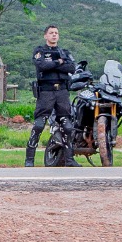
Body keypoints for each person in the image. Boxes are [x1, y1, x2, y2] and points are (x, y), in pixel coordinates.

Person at [25, 25, 77, 167]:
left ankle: (69, 160)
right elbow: (41, 66)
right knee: (39, 124)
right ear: (45, 36)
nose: (54, 35)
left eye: (56, 33)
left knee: (67, 126)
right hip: (46, 92)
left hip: (62, 92)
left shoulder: (64, 52)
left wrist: (53, 64)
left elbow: (71, 67)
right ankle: (29, 160)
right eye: (51, 33)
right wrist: (59, 62)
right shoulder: (40, 51)